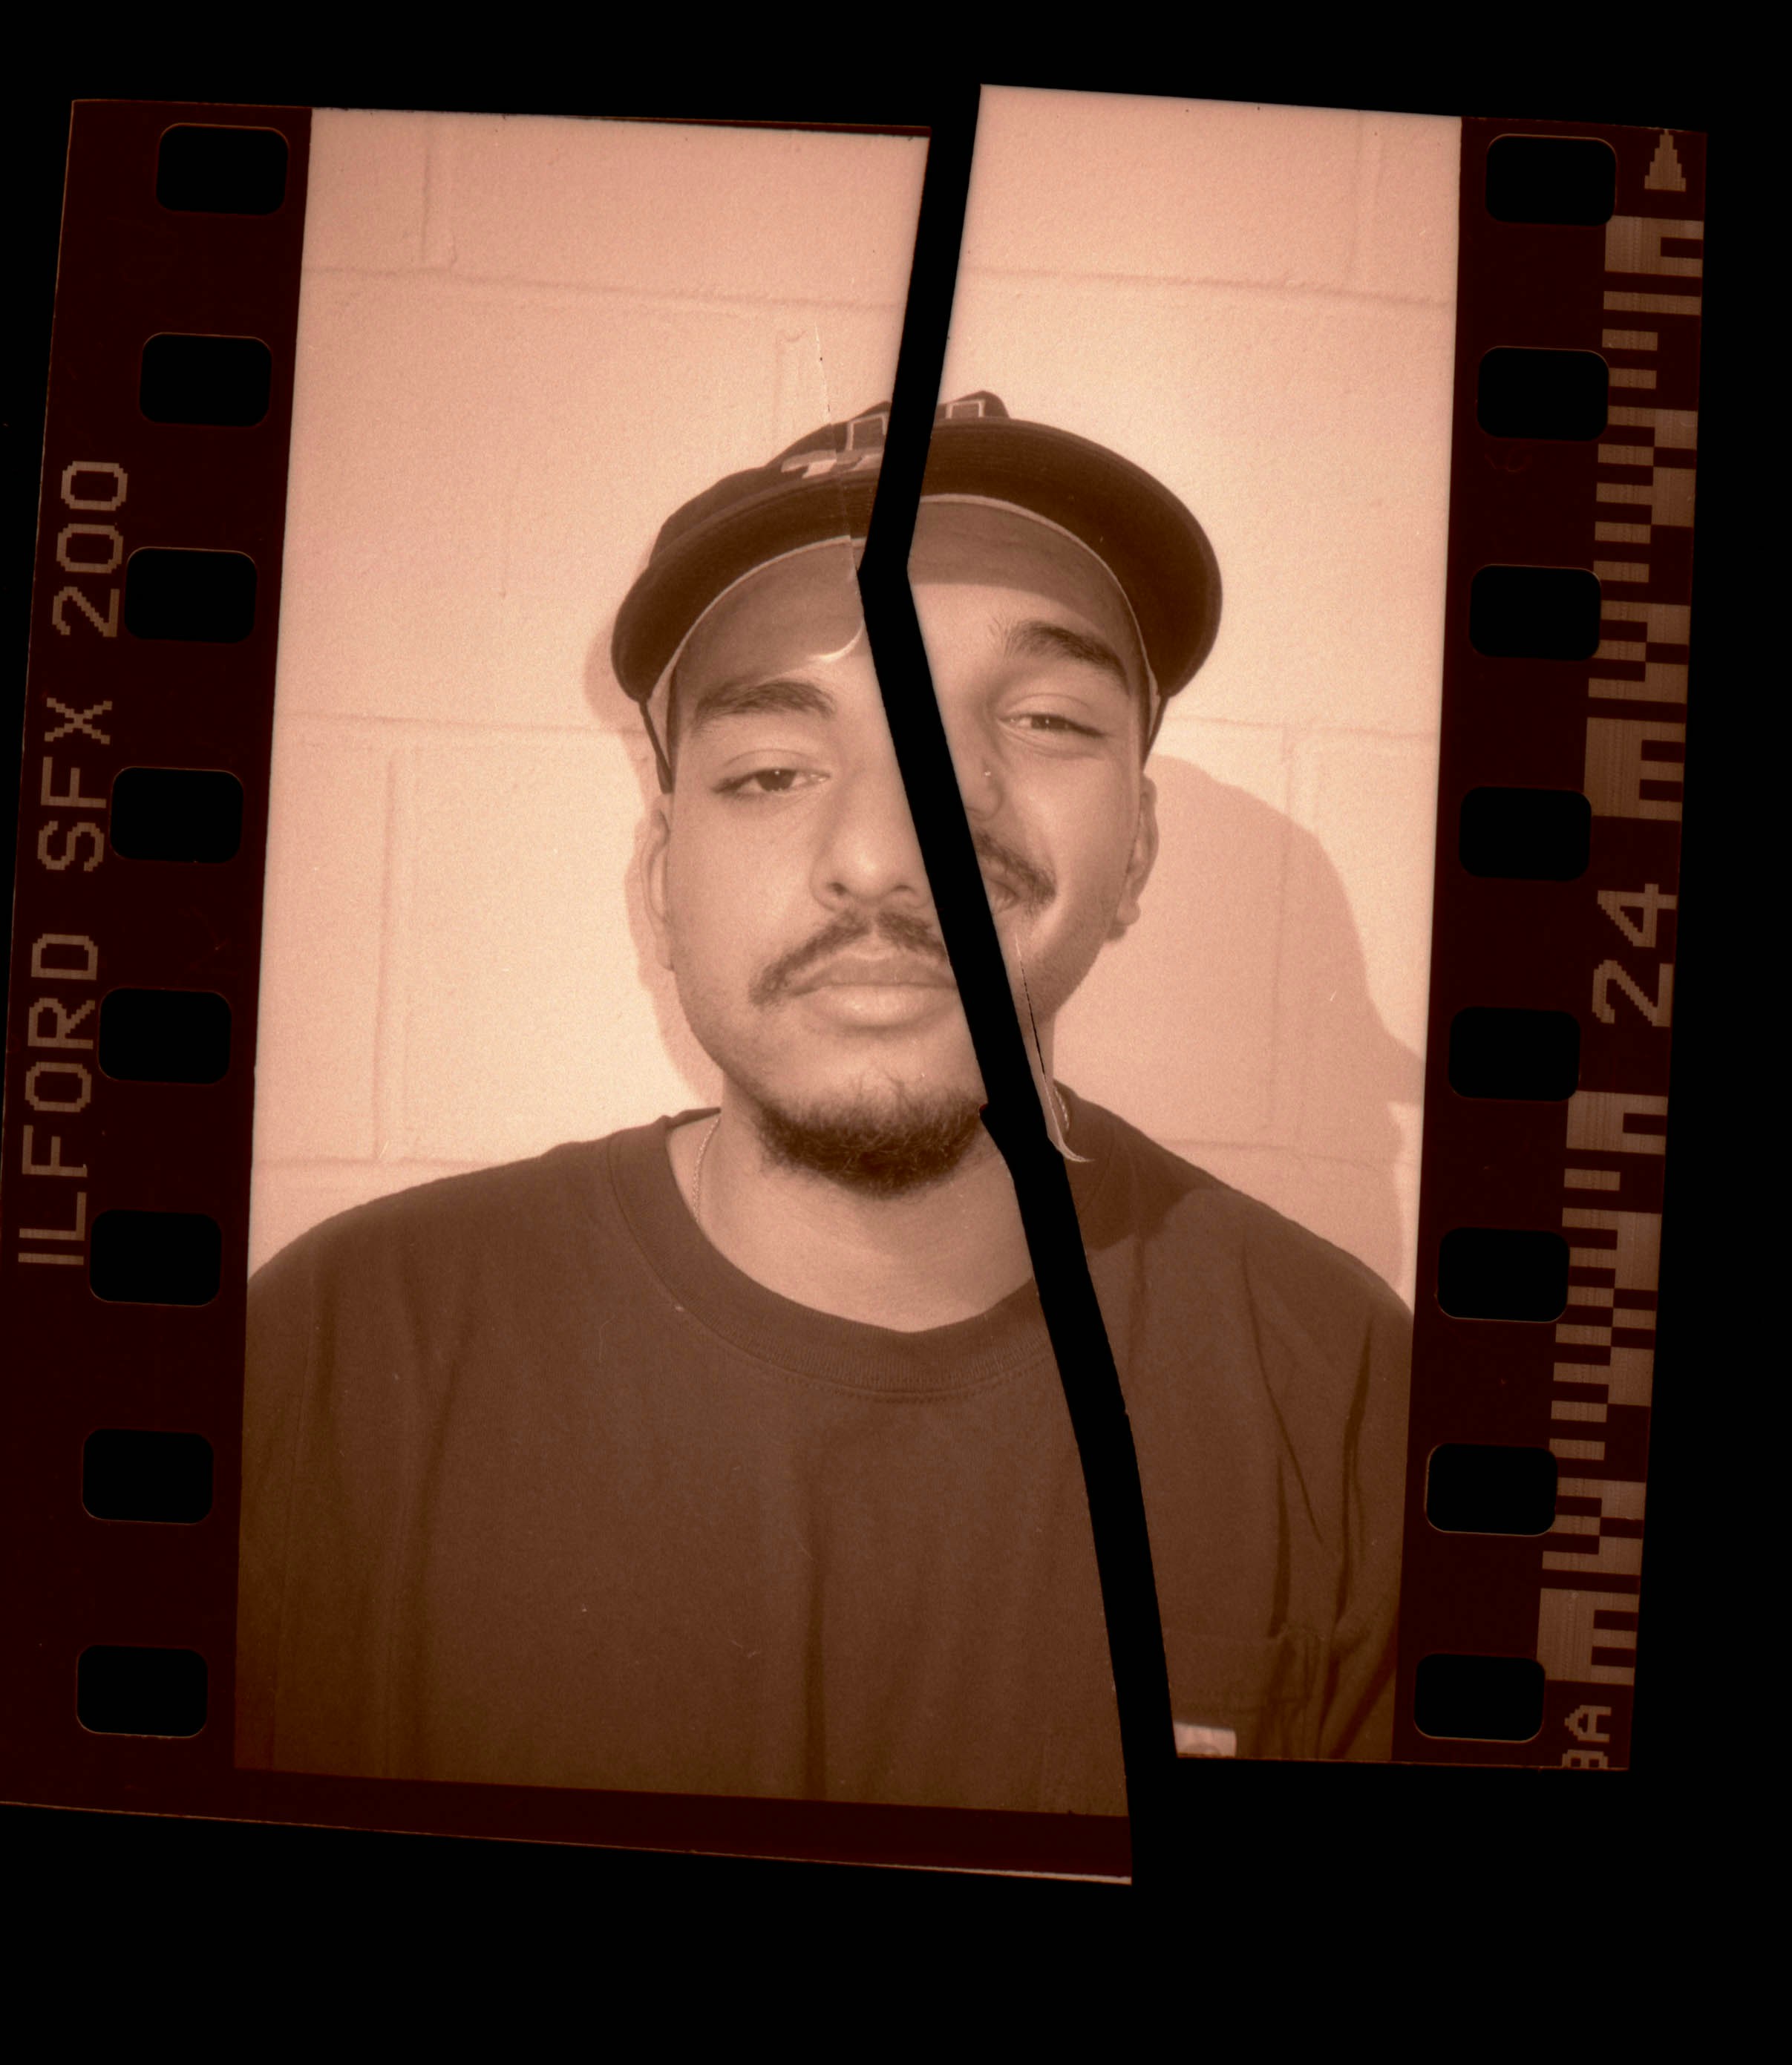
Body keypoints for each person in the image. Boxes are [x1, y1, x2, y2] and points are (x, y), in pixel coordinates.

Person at [236, 393, 1412, 1811]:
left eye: (1043, 719)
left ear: (1139, 850)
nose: (887, 851)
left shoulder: (1343, 1398)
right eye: (771, 770)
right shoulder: (334, 1361)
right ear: (660, 878)